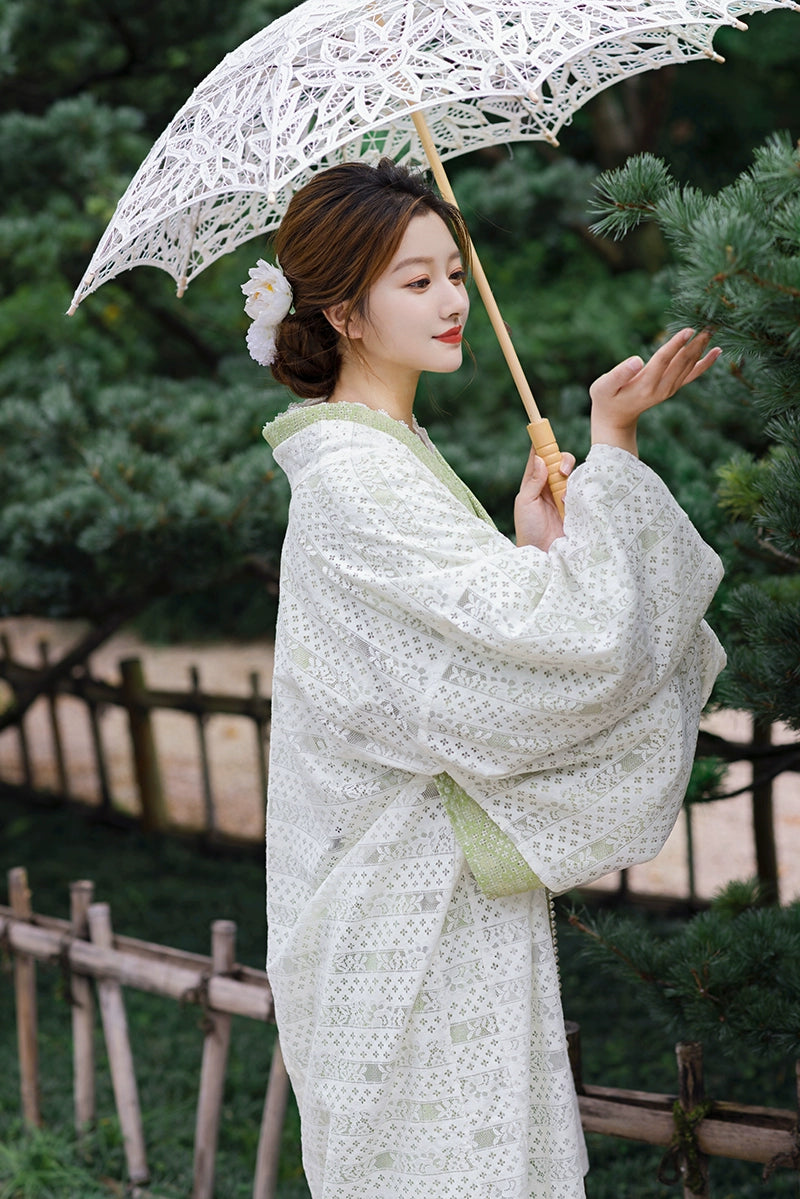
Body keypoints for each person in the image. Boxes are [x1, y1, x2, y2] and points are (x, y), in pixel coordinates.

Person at [250, 158, 725, 1199]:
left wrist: (535, 547)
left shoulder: (389, 451)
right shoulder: (357, 474)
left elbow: (470, 649)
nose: (454, 300)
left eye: (452, 273)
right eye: (414, 282)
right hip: (399, 914)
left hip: (426, 893)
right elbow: (538, 659)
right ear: (344, 311)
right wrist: (609, 446)